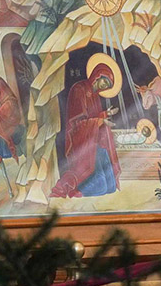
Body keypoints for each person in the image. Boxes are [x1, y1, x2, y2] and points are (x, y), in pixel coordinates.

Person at [50, 63, 121, 198]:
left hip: (93, 137)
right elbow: (77, 123)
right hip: (81, 140)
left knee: (111, 186)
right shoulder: (79, 89)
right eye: (105, 81)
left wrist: (106, 114)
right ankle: (78, 191)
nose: (105, 86)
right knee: (101, 185)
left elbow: (93, 116)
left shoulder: (94, 95)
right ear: (98, 75)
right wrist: (100, 121)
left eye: (108, 85)